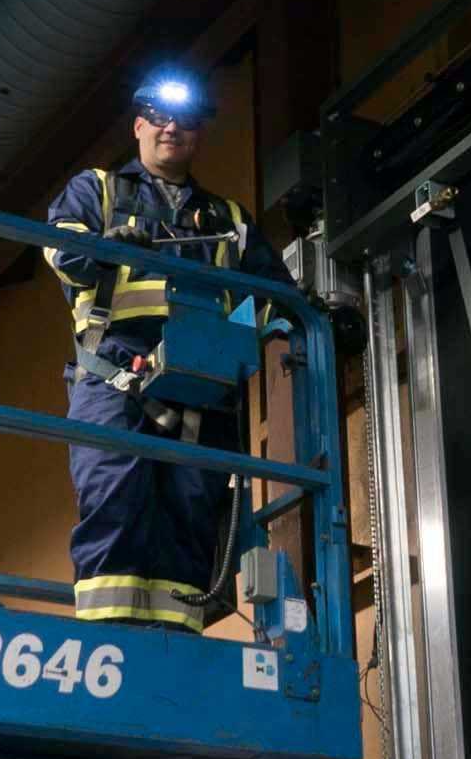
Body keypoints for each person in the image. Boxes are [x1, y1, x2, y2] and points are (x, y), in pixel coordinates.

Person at [41, 71, 288, 630]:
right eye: (158, 116)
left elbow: (274, 298)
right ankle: (109, 638)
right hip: (115, 371)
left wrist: (305, 316)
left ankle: (175, 639)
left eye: (185, 119)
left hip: (201, 381)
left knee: (191, 510)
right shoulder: (98, 190)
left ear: (199, 134)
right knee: (114, 493)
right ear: (138, 127)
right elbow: (60, 250)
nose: (171, 127)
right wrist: (104, 247)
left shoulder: (228, 220)